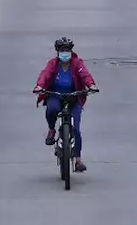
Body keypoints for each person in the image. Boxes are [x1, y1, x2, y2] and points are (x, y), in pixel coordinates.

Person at [34, 37, 99, 174]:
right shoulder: (52, 64)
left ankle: (78, 160)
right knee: (52, 109)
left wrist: (91, 85)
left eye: (67, 50)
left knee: (76, 128)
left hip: (74, 96)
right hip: (56, 95)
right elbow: (45, 75)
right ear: (58, 52)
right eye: (62, 50)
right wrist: (39, 86)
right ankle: (52, 130)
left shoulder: (77, 63)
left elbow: (85, 75)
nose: (65, 53)